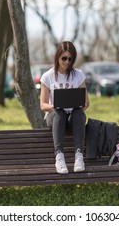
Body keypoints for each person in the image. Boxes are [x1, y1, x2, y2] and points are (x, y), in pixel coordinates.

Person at [40, 41, 89, 174]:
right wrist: (55, 106)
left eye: (70, 59)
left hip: (72, 117)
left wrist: (77, 105)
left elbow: (86, 103)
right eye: (64, 58)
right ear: (57, 57)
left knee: (78, 113)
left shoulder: (78, 75)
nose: (67, 62)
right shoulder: (48, 76)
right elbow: (43, 105)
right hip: (54, 116)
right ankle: (59, 157)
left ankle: (79, 156)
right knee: (59, 112)